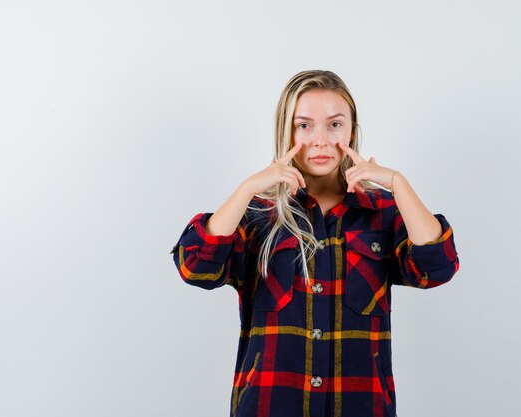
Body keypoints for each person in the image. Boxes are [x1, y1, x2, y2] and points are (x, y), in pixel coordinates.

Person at [170, 70, 460, 417]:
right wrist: (247, 189)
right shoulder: (255, 214)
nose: (320, 140)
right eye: (304, 126)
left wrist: (399, 183)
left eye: (334, 124)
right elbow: (195, 268)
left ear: (352, 129)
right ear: (286, 130)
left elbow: (437, 267)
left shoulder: (383, 212)